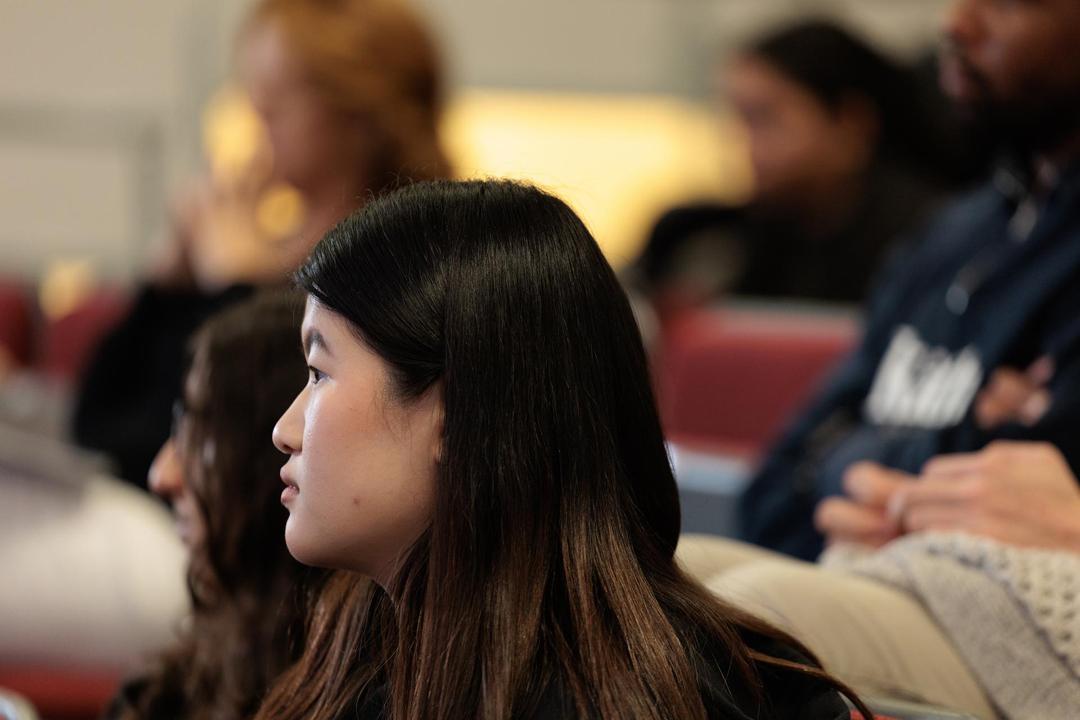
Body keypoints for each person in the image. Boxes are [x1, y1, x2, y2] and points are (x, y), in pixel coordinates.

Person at [256, 179, 868, 720]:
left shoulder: (702, 695)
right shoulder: (364, 653)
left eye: (319, 373)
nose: (286, 427)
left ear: (457, 413)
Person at [738, 0, 1080, 560]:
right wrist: (964, 438)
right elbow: (770, 494)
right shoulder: (950, 232)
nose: (957, 24)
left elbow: (1039, 504)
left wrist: (846, 456)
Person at [72, 0, 450, 486]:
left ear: (354, 116)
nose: (255, 126)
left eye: (273, 107)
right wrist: (167, 285)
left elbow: (231, 461)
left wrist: (233, 289)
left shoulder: (402, 272)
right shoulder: (268, 251)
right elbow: (97, 425)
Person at [680, 439, 1080, 718]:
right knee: (671, 572)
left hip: (1029, 589)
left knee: (744, 618)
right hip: (892, 553)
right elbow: (784, 473)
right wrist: (899, 484)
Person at [106, 290, 333, 719]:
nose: (162, 475)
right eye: (179, 421)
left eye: (203, 432)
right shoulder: (191, 673)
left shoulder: (341, 693)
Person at [633, 19, 949, 312]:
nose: (744, 144)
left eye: (763, 118)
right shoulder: (721, 236)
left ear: (851, 124)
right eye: (739, 120)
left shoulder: (931, 239)